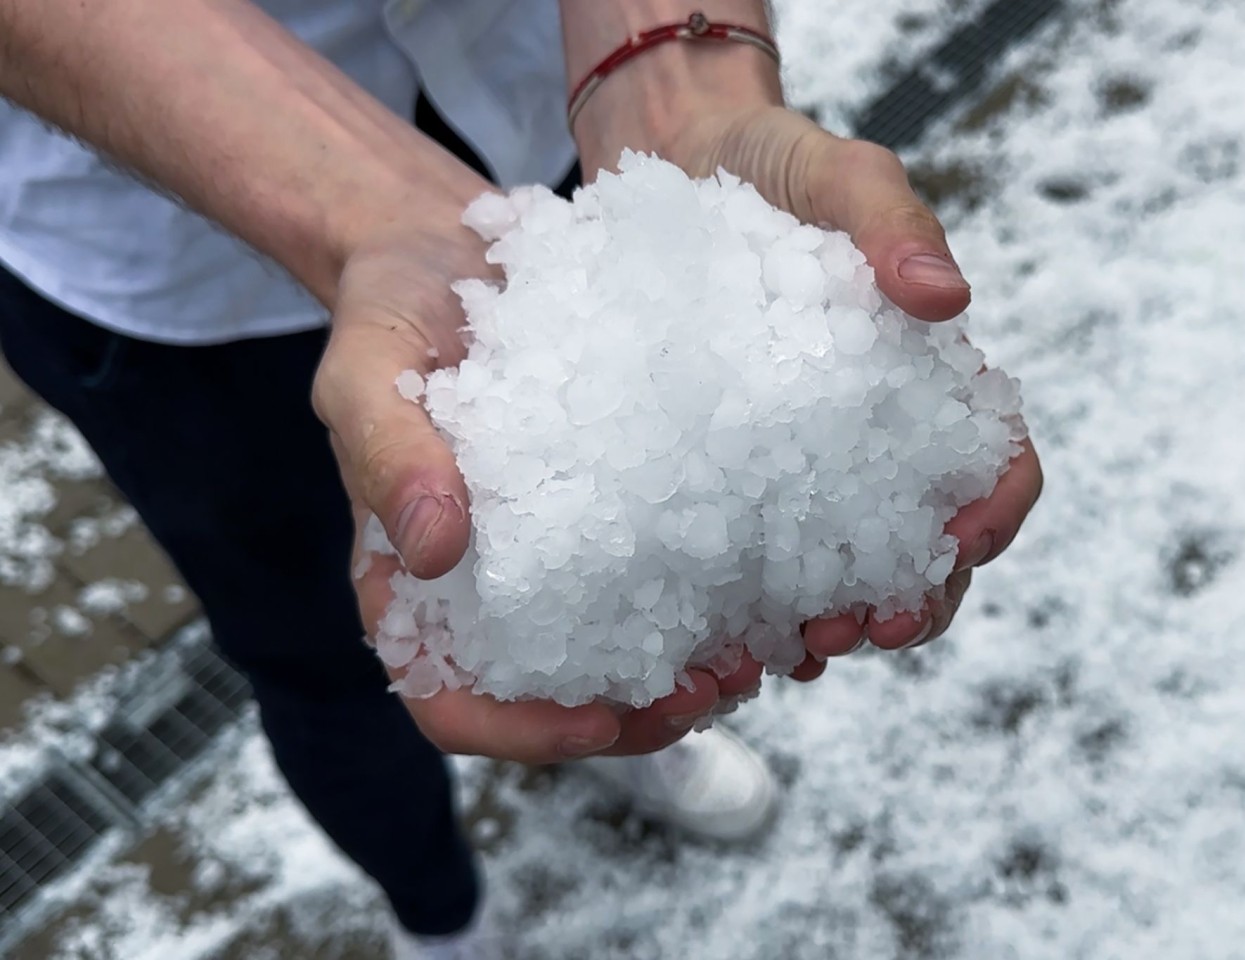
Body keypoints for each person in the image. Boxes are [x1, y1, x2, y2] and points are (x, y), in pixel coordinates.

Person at [0, 1, 1042, 955]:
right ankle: (437, 911)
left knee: (569, 552)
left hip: (550, 102)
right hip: (164, 256)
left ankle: (621, 692)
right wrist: (359, 204)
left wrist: (672, 65)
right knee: (321, 652)